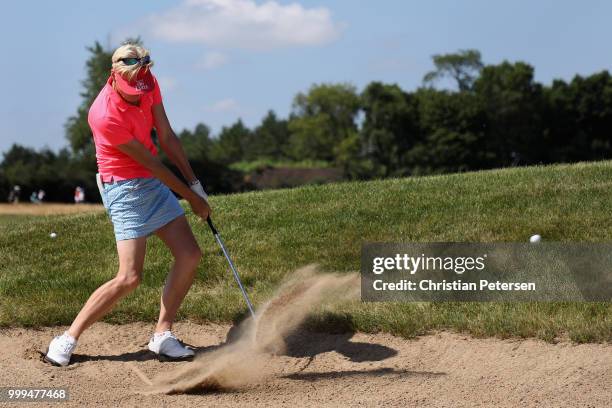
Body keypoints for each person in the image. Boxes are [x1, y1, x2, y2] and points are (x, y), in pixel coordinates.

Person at [45, 43, 211, 367]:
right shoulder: (103, 114)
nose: (139, 93)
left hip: (151, 182)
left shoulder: (147, 81)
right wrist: (192, 201)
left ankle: (162, 335)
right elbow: (154, 165)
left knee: (190, 255)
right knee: (129, 277)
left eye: (142, 86)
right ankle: (67, 338)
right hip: (123, 187)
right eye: (132, 88)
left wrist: (195, 184)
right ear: (114, 76)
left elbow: (166, 136)